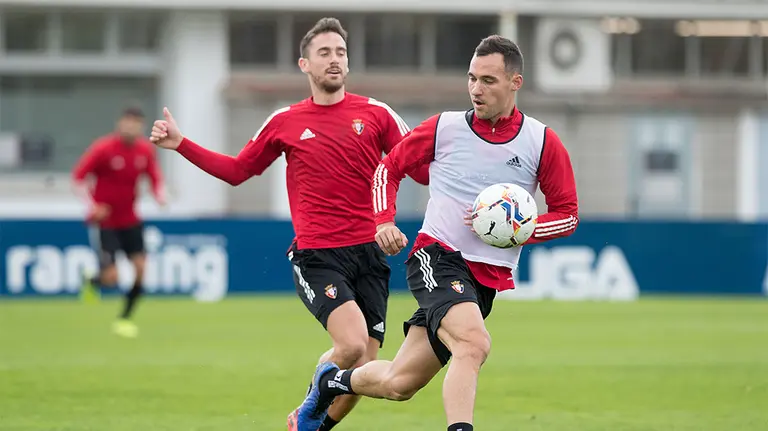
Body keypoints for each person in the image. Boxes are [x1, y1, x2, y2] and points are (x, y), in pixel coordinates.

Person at [148, 17, 429, 431]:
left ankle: (308, 424)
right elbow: (237, 171)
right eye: (324, 53)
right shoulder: (285, 121)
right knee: (350, 346)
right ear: (304, 65)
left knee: (362, 365)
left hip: (369, 256)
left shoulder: (376, 114)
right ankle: (312, 401)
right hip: (317, 254)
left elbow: (418, 169)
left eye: (340, 53)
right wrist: (181, 143)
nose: (334, 60)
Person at [294, 35, 580, 431]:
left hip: (484, 281)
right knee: (474, 344)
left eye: (488, 81)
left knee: (399, 382)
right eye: (471, 78)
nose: (476, 90)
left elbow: (567, 215)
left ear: (516, 83)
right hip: (438, 258)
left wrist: (522, 230)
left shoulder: (541, 141)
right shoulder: (443, 128)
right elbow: (387, 169)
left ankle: (330, 382)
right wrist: (384, 220)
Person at [73, 105, 167, 339]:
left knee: (141, 269)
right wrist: (92, 206)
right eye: (127, 121)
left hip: (131, 220)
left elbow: (154, 176)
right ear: (120, 123)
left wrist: (159, 194)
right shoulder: (103, 148)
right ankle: (92, 280)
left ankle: (124, 319)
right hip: (106, 223)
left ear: (141, 126)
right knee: (112, 278)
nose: (130, 126)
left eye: (136, 123)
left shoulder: (145, 151)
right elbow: (78, 178)